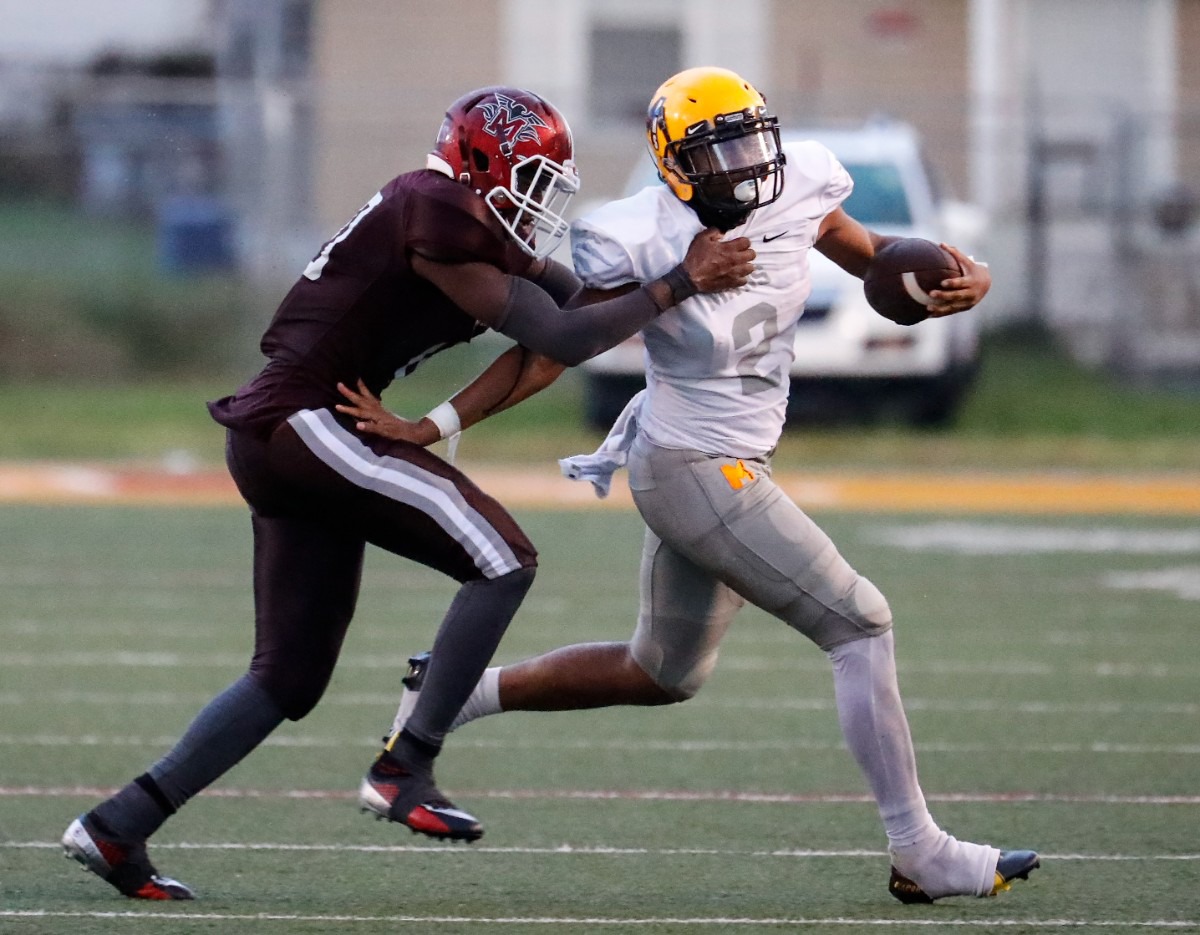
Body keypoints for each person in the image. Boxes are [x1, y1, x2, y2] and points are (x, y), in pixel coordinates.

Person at [339, 67, 1040, 904]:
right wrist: (435, 424)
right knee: (860, 624)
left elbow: (880, 258)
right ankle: (919, 849)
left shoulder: (801, 183)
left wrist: (969, 276)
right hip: (691, 466)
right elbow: (549, 348)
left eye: (752, 142)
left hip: (733, 459)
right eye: (720, 152)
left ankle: (448, 694)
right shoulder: (634, 234)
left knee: (660, 671)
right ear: (674, 165)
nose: (746, 166)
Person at [60, 84, 754, 901]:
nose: (538, 203)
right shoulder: (441, 212)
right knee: (504, 558)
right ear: (480, 167)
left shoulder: (458, 217)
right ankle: (405, 764)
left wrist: (664, 274)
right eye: (529, 180)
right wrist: (678, 282)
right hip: (306, 420)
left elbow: (572, 303)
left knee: (288, 676)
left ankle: (117, 824)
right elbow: (565, 336)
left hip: (292, 430)